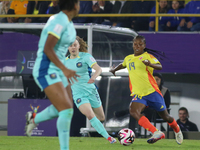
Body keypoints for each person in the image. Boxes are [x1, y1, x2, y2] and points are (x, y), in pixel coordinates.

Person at [25, 1, 80, 150]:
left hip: (58, 69)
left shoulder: (67, 21)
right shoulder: (59, 20)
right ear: (75, 5)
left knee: (65, 107)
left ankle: (34, 118)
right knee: (67, 109)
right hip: (46, 69)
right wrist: (65, 69)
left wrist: (63, 69)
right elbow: (48, 48)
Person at [109, 35, 183, 144]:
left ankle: (177, 130)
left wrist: (150, 64)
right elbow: (123, 64)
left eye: (140, 44)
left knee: (166, 116)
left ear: (144, 46)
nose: (137, 46)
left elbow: (160, 66)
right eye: (135, 44)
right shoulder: (128, 58)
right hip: (139, 94)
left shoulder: (147, 56)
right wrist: (114, 70)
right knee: (133, 111)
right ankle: (156, 132)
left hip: (152, 92)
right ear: (133, 44)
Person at [64, 36, 116, 144]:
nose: (73, 47)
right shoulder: (65, 62)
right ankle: (109, 138)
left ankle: (97, 128)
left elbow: (98, 69)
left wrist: (94, 77)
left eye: (75, 45)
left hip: (91, 91)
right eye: (70, 45)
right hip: (78, 95)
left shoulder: (86, 57)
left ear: (79, 46)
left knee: (101, 117)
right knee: (90, 115)